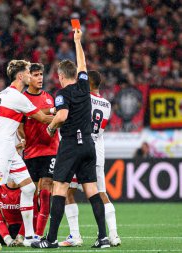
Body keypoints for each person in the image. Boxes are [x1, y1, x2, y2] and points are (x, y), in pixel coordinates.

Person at [31, 28, 110, 249]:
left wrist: (51, 126)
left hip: (70, 145)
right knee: (92, 190)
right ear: (76, 75)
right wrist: (78, 41)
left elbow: (63, 115)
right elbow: (83, 64)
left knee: (59, 189)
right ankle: (102, 237)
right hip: (88, 145)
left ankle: (51, 239)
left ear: (61, 76)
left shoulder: (61, 94)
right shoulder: (84, 87)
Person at [0, 60, 53, 247]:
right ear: (20, 76)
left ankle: (30, 236)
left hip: (9, 149)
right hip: (0, 149)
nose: (31, 76)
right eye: (28, 72)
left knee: (29, 188)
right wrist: (64, 115)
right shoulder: (18, 97)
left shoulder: (4, 93)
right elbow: (41, 118)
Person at [60, 70, 121, 247]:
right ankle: (114, 234)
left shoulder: (81, 99)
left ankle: (75, 235)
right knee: (101, 192)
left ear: (88, 84)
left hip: (78, 146)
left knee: (68, 191)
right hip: (97, 150)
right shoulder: (107, 105)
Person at [17, 63, 59, 237]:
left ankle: (39, 234)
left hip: (50, 149)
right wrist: (22, 137)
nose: (40, 78)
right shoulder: (21, 99)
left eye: (41, 74)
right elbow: (20, 123)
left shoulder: (49, 97)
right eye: (35, 75)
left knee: (47, 187)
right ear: (28, 78)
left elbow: (56, 118)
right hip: (32, 151)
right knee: (30, 191)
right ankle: (25, 232)